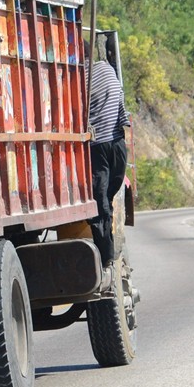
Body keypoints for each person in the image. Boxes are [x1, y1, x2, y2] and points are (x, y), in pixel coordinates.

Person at [87, 35, 130, 289]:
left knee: (101, 200)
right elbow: (122, 111)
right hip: (114, 142)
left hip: (99, 145)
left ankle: (106, 254)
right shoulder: (107, 70)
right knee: (105, 199)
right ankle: (107, 254)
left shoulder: (80, 77)